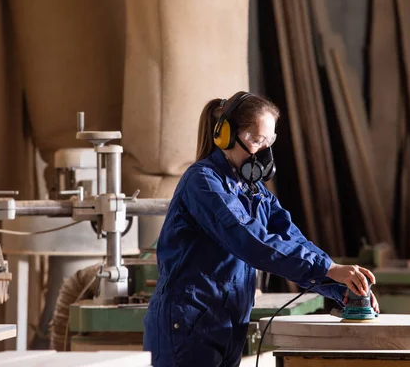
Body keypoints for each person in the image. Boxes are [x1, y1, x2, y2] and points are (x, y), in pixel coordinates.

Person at [142, 91, 380, 366]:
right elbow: (249, 240)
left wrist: (340, 286)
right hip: (186, 327)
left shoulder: (255, 191)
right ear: (226, 135)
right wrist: (327, 269)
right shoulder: (203, 182)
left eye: (269, 142)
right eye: (256, 141)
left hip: (227, 325)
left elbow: (289, 238)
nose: (264, 152)